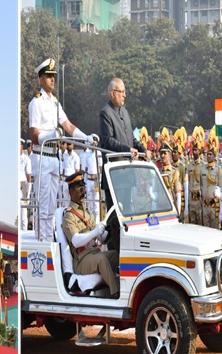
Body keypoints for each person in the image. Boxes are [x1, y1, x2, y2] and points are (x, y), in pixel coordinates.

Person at [27, 58, 88, 242]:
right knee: (44, 206)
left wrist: (86, 138)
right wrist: (52, 134)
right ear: (41, 79)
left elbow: (67, 125)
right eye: (49, 76)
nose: (52, 80)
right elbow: (34, 135)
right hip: (42, 155)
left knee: (52, 205)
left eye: (54, 76)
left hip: (54, 157)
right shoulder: (35, 103)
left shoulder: (55, 103)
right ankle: (43, 240)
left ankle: (48, 238)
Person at [61, 172, 120, 296]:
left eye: (84, 187)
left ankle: (124, 287)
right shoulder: (68, 215)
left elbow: (102, 239)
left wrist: (109, 229)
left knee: (116, 255)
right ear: (71, 192)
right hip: (81, 259)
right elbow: (76, 241)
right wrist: (94, 231)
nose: (83, 191)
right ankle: (116, 294)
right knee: (102, 259)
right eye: (80, 188)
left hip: (94, 253)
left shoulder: (86, 212)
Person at [97, 78, 144, 156]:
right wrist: (128, 149)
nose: (124, 95)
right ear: (112, 93)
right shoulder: (105, 113)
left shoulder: (125, 112)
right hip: (115, 165)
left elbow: (132, 139)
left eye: (124, 92)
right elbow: (109, 141)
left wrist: (144, 150)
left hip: (129, 163)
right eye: (121, 92)